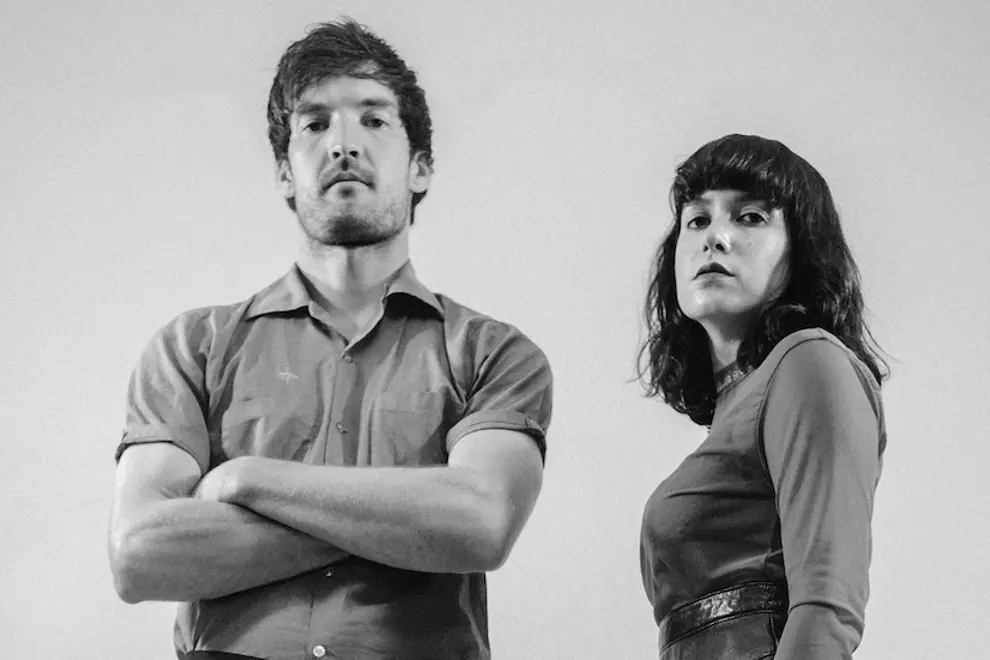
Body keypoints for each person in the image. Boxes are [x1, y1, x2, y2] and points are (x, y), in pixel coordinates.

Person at [108, 18, 552, 660]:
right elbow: (141, 555)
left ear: (420, 168)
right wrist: (408, 522)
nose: (343, 144)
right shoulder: (192, 347)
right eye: (315, 124)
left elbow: (480, 525)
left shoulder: (494, 354)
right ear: (285, 175)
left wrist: (245, 480)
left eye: (373, 120)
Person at [637, 134, 888, 659]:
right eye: (697, 220)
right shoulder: (743, 404)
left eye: (750, 217)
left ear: (801, 250)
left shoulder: (809, 361)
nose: (715, 237)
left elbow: (827, 609)